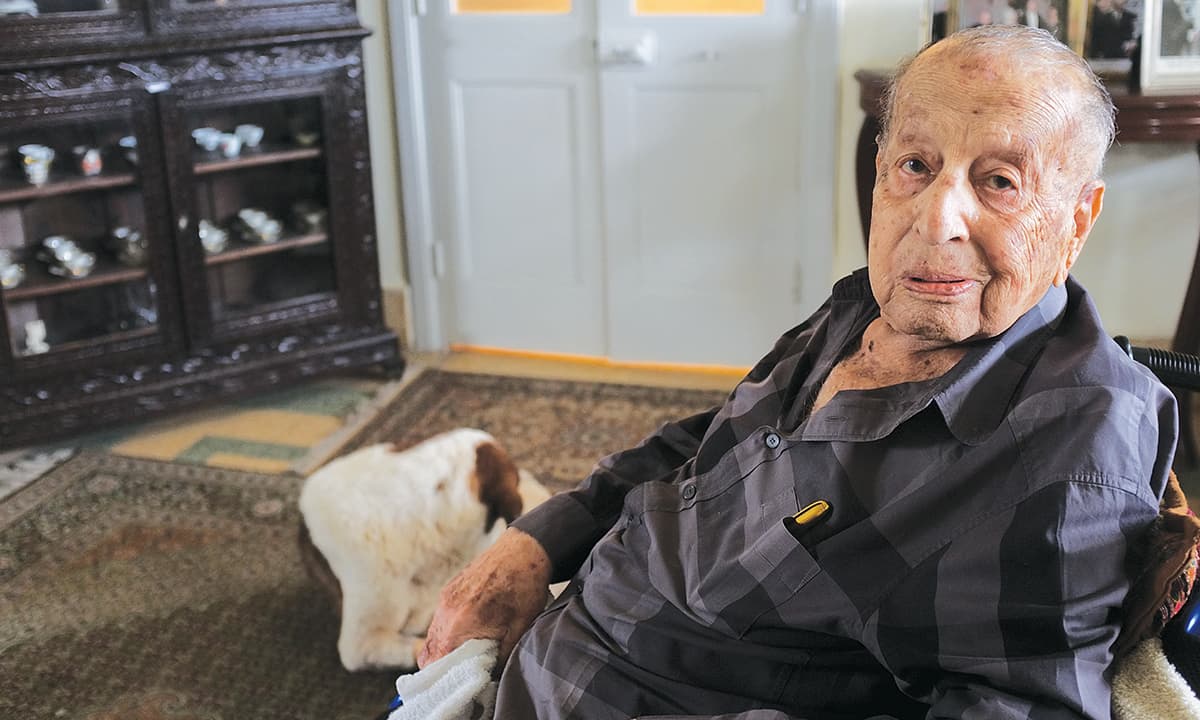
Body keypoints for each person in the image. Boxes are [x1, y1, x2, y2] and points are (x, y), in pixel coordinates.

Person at [419, 25, 1177, 719]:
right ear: (881, 173)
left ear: (1078, 221)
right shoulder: (871, 307)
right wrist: (530, 544)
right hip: (544, 652)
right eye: (916, 166)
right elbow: (709, 444)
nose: (936, 219)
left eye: (1000, 182)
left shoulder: (1072, 455)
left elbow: (1017, 707)